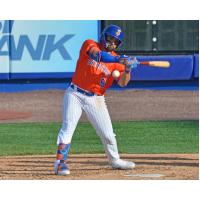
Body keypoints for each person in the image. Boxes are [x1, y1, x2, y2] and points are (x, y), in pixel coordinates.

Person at [54, 24, 138, 175]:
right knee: (68, 128)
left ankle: (114, 161)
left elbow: (123, 83)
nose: (112, 43)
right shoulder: (90, 44)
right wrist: (119, 58)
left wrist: (127, 69)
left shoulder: (117, 62)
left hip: (96, 99)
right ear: (103, 36)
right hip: (75, 94)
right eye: (110, 39)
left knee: (107, 134)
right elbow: (97, 56)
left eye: (116, 42)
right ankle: (60, 163)